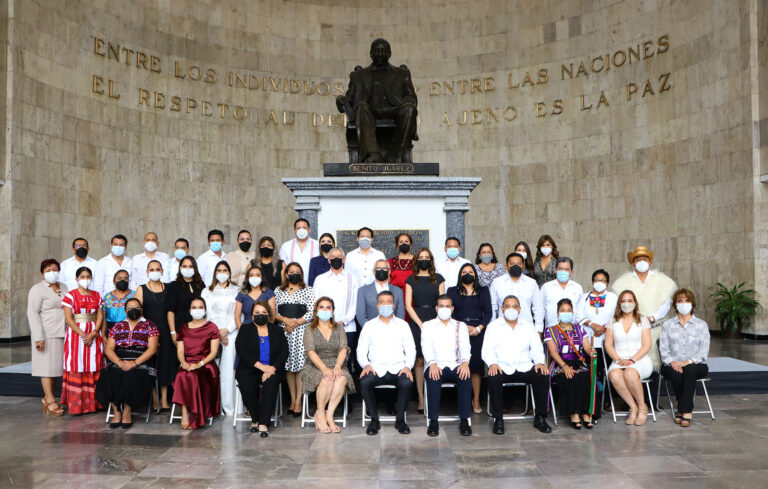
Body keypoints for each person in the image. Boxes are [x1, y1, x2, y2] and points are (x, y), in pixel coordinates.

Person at [482, 295, 552, 434]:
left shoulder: (528, 326)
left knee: (542, 375)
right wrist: (493, 363)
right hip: (502, 366)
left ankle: (540, 417)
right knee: (493, 377)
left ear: (520, 309)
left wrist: (539, 362)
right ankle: (498, 419)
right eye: (507, 306)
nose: (511, 309)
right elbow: (487, 350)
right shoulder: (493, 326)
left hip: (524, 365)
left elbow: (536, 348)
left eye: (514, 306)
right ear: (502, 309)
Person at [357, 291, 416, 435]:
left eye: (388, 302)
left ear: (394, 305)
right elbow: (360, 350)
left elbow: (411, 349)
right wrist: (366, 364)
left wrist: (408, 366)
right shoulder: (369, 326)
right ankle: (374, 421)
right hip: (376, 368)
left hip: (398, 368)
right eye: (382, 302)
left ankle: (400, 420)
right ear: (377, 306)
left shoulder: (403, 325)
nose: (385, 305)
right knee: (365, 382)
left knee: (407, 383)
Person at [95, 298, 159, 429]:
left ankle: (127, 412)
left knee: (130, 375)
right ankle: (117, 412)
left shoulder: (150, 325)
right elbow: (108, 349)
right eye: (130, 308)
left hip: (141, 361)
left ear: (141, 310)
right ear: (125, 311)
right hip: (120, 359)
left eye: (136, 307)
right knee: (109, 375)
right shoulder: (117, 326)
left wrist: (134, 363)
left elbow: (153, 349)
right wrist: (118, 362)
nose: (133, 310)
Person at [612, 246, 677, 372]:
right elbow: (621, 303)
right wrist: (637, 319)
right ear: (633, 263)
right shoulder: (623, 282)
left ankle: (653, 389)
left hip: (656, 327)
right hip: (633, 329)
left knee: (656, 362)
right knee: (635, 362)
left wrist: (652, 317)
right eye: (638, 259)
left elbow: (666, 304)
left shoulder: (662, 280)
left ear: (650, 262)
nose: (642, 262)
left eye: (645, 259)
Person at [421, 295, 473, 436]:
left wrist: (465, 363)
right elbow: (426, 346)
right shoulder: (428, 325)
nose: (445, 309)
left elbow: (465, 347)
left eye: (448, 306)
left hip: (455, 364)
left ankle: (464, 420)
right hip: (435, 364)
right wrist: (432, 363)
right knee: (433, 378)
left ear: (452, 308)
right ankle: (433, 421)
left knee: (465, 377)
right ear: (436, 308)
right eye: (441, 306)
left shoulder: (459, 325)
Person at [235, 301, 288, 437]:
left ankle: (263, 422)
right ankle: (255, 417)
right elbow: (242, 351)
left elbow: (284, 352)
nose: (260, 315)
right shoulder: (245, 329)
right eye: (257, 312)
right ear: (252, 315)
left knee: (270, 384)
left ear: (269, 314)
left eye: (264, 312)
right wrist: (262, 367)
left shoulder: (277, 330)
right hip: (250, 368)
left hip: (272, 368)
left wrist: (272, 369)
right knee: (246, 384)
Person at [302, 297, 355, 433]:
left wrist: (337, 366)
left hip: (337, 363)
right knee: (326, 379)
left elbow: (344, 348)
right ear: (316, 311)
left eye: (328, 307)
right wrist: (324, 368)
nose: (325, 310)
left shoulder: (339, 328)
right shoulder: (309, 329)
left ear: (332, 312)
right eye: (322, 307)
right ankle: (320, 414)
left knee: (341, 378)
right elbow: (311, 351)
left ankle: (329, 415)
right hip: (315, 365)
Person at [660, 288, 710, 428]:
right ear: (675, 305)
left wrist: (687, 362)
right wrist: (673, 363)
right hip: (672, 364)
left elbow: (703, 351)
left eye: (687, 300)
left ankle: (684, 410)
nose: (683, 303)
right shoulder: (668, 325)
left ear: (692, 304)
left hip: (696, 364)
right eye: (680, 300)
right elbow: (663, 349)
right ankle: (685, 409)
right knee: (677, 374)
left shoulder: (701, 325)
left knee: (690, 370)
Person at [313, 248, 360, 397]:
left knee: (346, 363)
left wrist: (343, 321)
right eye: (333, 257)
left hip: (347, 327)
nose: (336, 259)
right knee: (325, 361)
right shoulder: (320, 279)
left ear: (344, 259)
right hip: (323, 328)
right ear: (328, 260)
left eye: (339, 257)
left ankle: (348, 399)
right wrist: (326, 322)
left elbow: (355, 304)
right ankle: (324, 396)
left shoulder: (353, 278)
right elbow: (316, 302)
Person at [447, 263, 492, 414]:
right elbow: (449, 312)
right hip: (457, 330)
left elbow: (489, 313)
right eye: (464, 272)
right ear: (460, 275)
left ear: (475, 274)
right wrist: (460, 328)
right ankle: (464, 399)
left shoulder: (484, 290)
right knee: (461, 364)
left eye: (470, 272)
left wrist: (479, 328)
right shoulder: (452, 291)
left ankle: (477, 399)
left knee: (476, 368)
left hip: (478, 332)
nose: (468, 274)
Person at [545, 299, 597, 429]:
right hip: (560, 364)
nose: (566, 313)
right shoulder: (550, 330)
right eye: (562, 310)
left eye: (568, 310)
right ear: (557, 314)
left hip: (578, 362)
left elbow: (586, 347)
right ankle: (574, 413)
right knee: (571, 376)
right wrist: (564, 366)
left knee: (585, 376)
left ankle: (585, 412)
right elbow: (553, 352)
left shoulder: (579, 329)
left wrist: (591, 351)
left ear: (573, 312)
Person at [404, 248, 445, 413]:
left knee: (435, 359)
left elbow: (443, 302)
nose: (424, 260)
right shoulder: (410, 279)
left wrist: (435, 322)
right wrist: (421, 324)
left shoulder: (439, 278)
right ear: (416, 260)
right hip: (417, 320)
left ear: (431, 260)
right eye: (421, 257)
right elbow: (408, 305)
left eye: (426, 257)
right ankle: (421, 397)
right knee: (419, 360)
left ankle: (434, 396)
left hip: (436, 320)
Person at [604, 290, 653, 425]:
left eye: (630, 301)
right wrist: (619, 360)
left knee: (630, 373)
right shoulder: (612, 321)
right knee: (613, 375)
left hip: (640, 360)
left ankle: (642, 407)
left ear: (635, 303)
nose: (627, 304)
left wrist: (632, 360)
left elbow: (647, 345)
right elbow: (608, 345)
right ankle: (633, 407)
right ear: (619, 303)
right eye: (623, 301)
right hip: (619, 359)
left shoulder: (642, 320)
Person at [60, 266, 105, 415]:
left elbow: (100, 316)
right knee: (77, 363)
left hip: (93, 333)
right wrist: (82, 334)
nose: (85, 279)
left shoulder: (97, 295)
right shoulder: (70, 296)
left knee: (93, 363)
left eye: (88, 276)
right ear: (76, 279)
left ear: (92, 279)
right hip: (76, 335)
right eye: (82, 276)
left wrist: (94, 332)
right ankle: (77, 405)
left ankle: (95, 403)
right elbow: (68, 318)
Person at [172, 297, 221, 430]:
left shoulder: (212, 327)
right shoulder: (183, 328)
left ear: (205, 310)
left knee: (193, 376)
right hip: (188, 363)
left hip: (206, 365)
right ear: (189, 310)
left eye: (200, 307)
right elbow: (180, 350)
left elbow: (214, 352)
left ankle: (196, 414)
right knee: (182, 374)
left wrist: (200, 364)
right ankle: (184, 411)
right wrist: (183, 363)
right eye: (194, 307)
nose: (197, 310)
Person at [574, 269, 618, 416]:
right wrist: (593, 325)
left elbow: (617, 315)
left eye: (603, 280)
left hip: (607, 340)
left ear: (607, 282)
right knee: (592, 373)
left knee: (606, 372)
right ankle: (592, 402)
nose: (600, 283)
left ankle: (606, 401)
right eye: (597, 280)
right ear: (592, 281)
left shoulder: (613, 297)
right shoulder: (585, 297)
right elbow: (578, 316)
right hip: (589, 342)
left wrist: (604, 327)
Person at [27, 258, 68, 416]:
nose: (52, 273)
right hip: (45, 334)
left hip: (62, 333)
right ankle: (50, 400)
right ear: (42, 274)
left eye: (54, 269)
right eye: (48, 270)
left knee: (55, 368)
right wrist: (38, 337)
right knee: (45, 368)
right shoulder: (37, 289)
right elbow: (32, 313)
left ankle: (47, 397)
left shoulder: (64, 287)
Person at [274, 262, 315, 416]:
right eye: (292, 271)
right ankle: (292, 399)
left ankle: (299, 401)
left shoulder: (308, 290)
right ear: (286, 274)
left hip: (301, 330)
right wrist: (286, 321)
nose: (294, 274)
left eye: (298, 271)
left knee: (300, 367)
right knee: (289, 368)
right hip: (283, 331)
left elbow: (311, 311)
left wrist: (295, 323)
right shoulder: (278, 290)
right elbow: (273, 311)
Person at [165, 257, 205, 408]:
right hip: (180, 328)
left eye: (190, 266)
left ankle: (196, 397)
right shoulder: (174, 286)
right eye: (184, 266)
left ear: (195, 268)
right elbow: (170, 311)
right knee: (180, 364)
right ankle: (182, 400)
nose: (187, 268)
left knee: (196, 361)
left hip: (198, 329)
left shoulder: (201, 285)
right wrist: (173, 332)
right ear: (180, 268)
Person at [201, 261, 239, 416]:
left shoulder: (237, 290)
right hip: (212, 334)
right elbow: (207, 313)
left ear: (229, 273)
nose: (222, 273)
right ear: (215, 273)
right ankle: (215, 408)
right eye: (219, 270)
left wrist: (227, 330)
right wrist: (217, 332)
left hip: (232, 333)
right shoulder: (207, 291)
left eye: (225, 270)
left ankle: (232, 408)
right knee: (214, 370)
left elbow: (239, 313)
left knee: (230, 371)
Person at [135, 259, 172, 410]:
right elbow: (136, 311)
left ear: (162, 271)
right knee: (150, 364)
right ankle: (154, 397)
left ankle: (164, 399)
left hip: (166, 330)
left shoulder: (169, 288)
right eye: (152, 269)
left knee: (165, 364)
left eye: (158, 269)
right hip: (148, 332)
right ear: (147, 272)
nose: (155, 271)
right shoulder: (141, 289)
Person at [489, 253, 544, 329]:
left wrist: (538, 329)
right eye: (512, 264)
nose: (515, 266)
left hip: (526, 329)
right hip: (502, 329)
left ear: (523, 266)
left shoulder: (531, 283)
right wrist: (493, 327)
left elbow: (538, 307)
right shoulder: (497, 283)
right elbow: (492, 307)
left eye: (519, 263)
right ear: (506, 266)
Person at [356, 259, 405, 326]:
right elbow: (361, 315)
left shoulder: (398, 291)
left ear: (389, 271)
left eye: (384, 268)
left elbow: (400, 315)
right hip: (370, 332)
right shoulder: (362, 291)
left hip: (393, 332)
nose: (381, 271)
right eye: (378, 268)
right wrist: (370, 331)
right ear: (373, 271)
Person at [541, 257, 584, 329]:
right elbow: (540, 310)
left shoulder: (577, 288)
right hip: (551, 331)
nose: (563, 271)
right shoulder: (546, 287)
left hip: (573, 331)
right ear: (555, 270)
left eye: (566, 269)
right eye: (560, 269)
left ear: (571, 272)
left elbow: (581, 310)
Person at [234, 264, 277, 329]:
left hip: (265, 330)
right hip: (246, 330)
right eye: (251, 275)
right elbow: (237, 317)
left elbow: (272, 317)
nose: (254, 277)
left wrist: (266, 332)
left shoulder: (269, 293)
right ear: (247, 278)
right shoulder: (241, 294)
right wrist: (242, 332)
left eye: (258, 275)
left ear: (262, 277)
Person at [278, 218, 319, 283]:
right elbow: (283, 269)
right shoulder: (286, 246)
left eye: (304, 228)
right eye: (298, 228)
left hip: (313, 286)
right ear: (294, 231)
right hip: (291, 287)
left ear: (309, 230)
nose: (301, 230)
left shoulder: (318, 245)